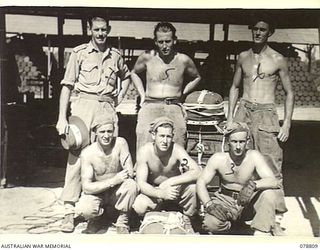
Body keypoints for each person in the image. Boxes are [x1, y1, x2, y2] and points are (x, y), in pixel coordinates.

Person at [55, 15, 131, 232]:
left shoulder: (115, 55)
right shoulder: (79, 53)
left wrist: (119, 98)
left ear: (109, 30)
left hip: (106, 108)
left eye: (104, 29)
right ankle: (69, 210)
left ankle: (108, 208)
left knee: (108, 154)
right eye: (96, 29)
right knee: (76, 156)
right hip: (83, 107)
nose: (100, 34)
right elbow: (67, 86)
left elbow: (126, 76)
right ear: (89, 29)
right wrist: (62, 118)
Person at [226, 17, 294, 232]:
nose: (258, 32)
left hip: (266, 113)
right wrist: (230, 117)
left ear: (269, 32)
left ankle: (276, 217)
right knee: (239, 160)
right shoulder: (243, 57)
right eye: (254, 29)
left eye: (262, 29)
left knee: (271, 164)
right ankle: (238, 210)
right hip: (244, 110)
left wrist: (287, 124)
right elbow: (235, 87)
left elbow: (290, 92)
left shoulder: (278, 59)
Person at [196, 122, 287, 235]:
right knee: (211, 224)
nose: (238, 146)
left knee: (270, 194)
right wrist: (209, 204)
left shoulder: (254, 156)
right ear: (228, 141)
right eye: (234, 142)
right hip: (225, 200)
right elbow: (201, 182)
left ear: (247, 142)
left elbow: (273, 181)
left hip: (248, 202)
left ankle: (262, 230)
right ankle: (234, 227)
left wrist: (253, 185)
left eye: (242, 142)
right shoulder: (218, 158)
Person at [131, 22, 201, 151]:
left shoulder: (183, 60)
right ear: (155, 42)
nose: (164, 46)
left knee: (178, 142)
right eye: (161, 42)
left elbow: (197, 77)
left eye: (168, 41)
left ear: (175, 40)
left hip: (173, 106)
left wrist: (182, 93)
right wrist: (142, 95)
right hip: (151, 105)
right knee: (144, 142)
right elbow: (134, 73)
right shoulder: (147, 57)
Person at [132, 117, 201, 231]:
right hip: (154, 190)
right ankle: (147, 221)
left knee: (192, 189)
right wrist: (161, 193)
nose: (165, 141)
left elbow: (197, 171)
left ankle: (189, 219)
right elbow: (142, 183)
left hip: (174, 190)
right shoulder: (145, 152)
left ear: (172, 137)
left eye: (168, 136)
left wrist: (170, 181)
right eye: (161, 136)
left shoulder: (177, 150)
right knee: (140, 205)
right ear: (154, 136)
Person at [75, 115, 138, 234]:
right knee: (84, 208)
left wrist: (118, 180)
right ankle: (97, 218)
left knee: (131, 185)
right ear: (95, 133)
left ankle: (123, 219)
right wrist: (113, 180)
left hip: (116, 191)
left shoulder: (120, 143)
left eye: (109, 131)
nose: (106, 135)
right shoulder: (88, 153)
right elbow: (87, 187)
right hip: (97, 193)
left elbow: (129, 171)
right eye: (102, 132)